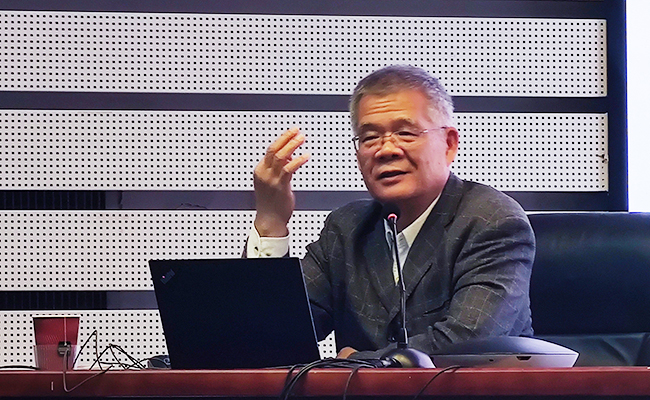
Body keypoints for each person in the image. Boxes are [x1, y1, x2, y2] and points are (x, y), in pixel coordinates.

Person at [247, 64, 535, 360]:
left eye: (405, 133)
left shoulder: (491, 221)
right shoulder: (345, 229)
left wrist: (357, 363)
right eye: (369, 137)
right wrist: (271, 222)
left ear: (449, 144)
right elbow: (265, 333)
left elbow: (469, 343)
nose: (386, 150)